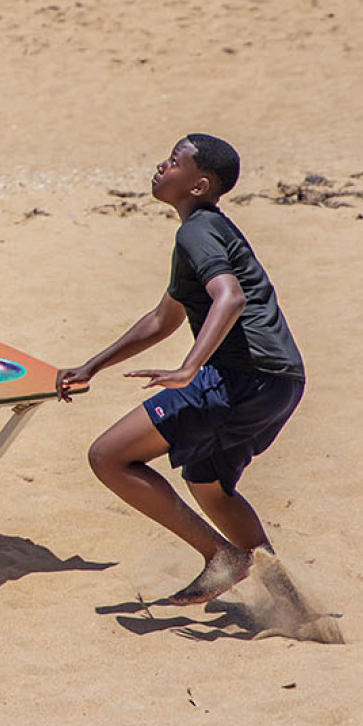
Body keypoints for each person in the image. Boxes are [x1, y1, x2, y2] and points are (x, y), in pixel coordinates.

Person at [54, 134, 305, 606]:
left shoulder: (197, 231)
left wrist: (190, 368)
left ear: (198, 184)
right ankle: (289, 602)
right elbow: (162, 319)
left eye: (174, 162)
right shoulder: (207, 230)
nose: (160, 166)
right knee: (209, 485)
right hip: (282, 380)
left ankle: (222, 558)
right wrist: (93, 365)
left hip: (240, 377)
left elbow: (230, 297)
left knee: (109, 456)